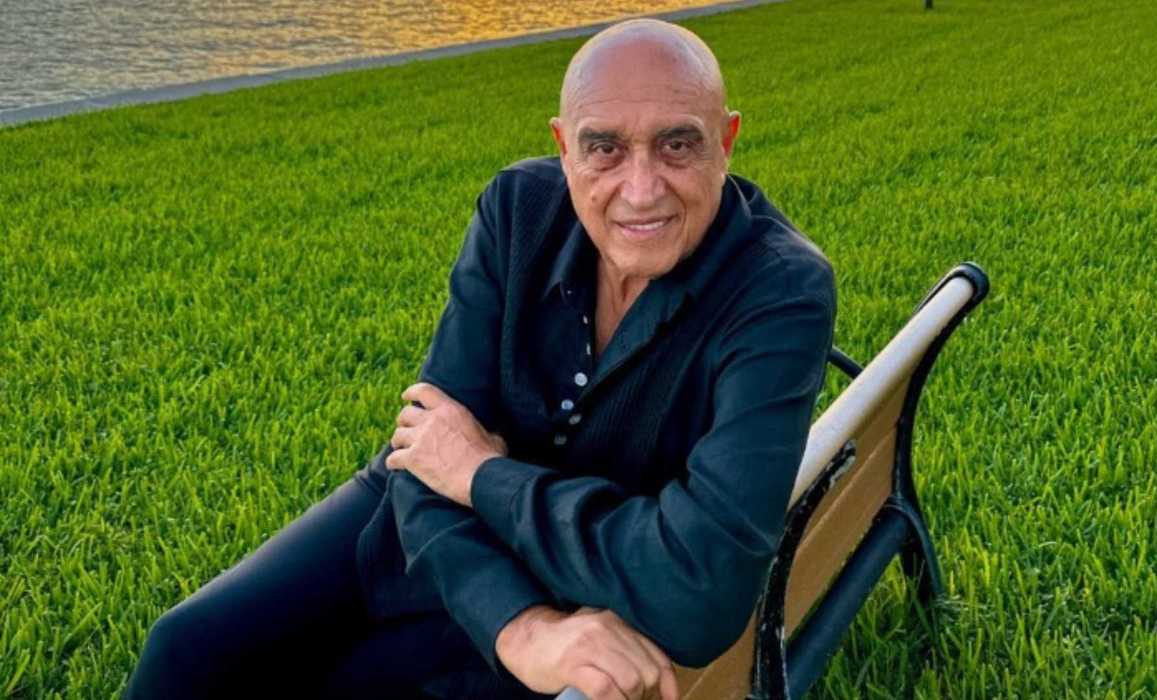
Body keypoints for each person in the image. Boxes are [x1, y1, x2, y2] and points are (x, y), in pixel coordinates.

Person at [123, 17, 835, 700]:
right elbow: (425, 454)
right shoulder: (518, 210)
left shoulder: (777, 289)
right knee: (185, 649)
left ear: (726, 141)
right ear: (563, 147)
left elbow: (699, 591)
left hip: (581, 585)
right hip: (428, 521)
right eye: (604, 148)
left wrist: (483, 475)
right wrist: (518, 628)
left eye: (677, 145)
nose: (640, 188)